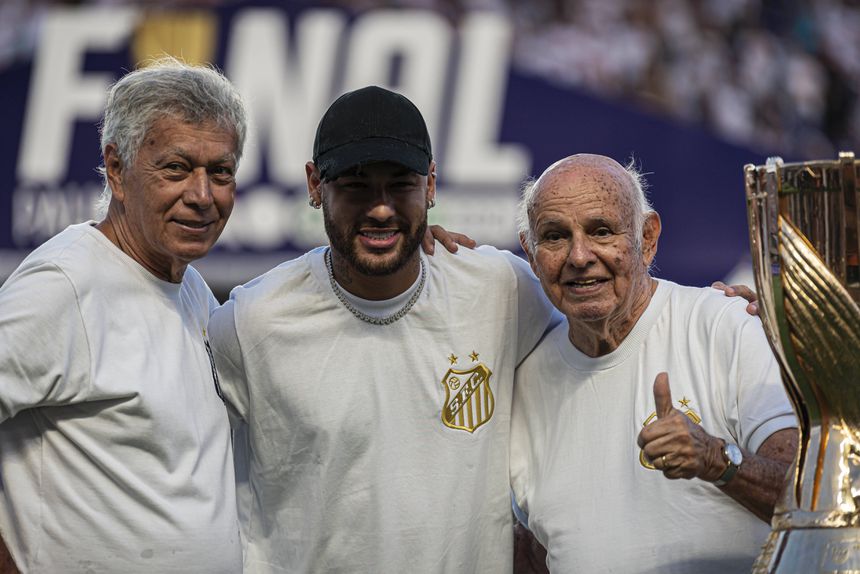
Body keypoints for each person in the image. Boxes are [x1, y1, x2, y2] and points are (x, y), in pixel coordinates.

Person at [207, 85, 560, 573]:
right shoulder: (250, 321)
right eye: (355, 185)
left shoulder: (502, 289)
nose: (380, 207)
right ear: (315, 185)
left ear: (431, 184)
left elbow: (591, 363)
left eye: (401, 184)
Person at [0, 58, 248, 573]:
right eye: (176, 168)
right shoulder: (64, 287)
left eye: (220, 172)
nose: (202, 196)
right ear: (117, 169)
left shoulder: (191, 290)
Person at [509, 154, 798, 573]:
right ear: (531, 253)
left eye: (601, 231)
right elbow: (541, 550)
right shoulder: (524, 382)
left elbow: (813, 499)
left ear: (647, 238)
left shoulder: (726, 326)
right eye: (554, 237)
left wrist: (716, 460)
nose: (579, 256)